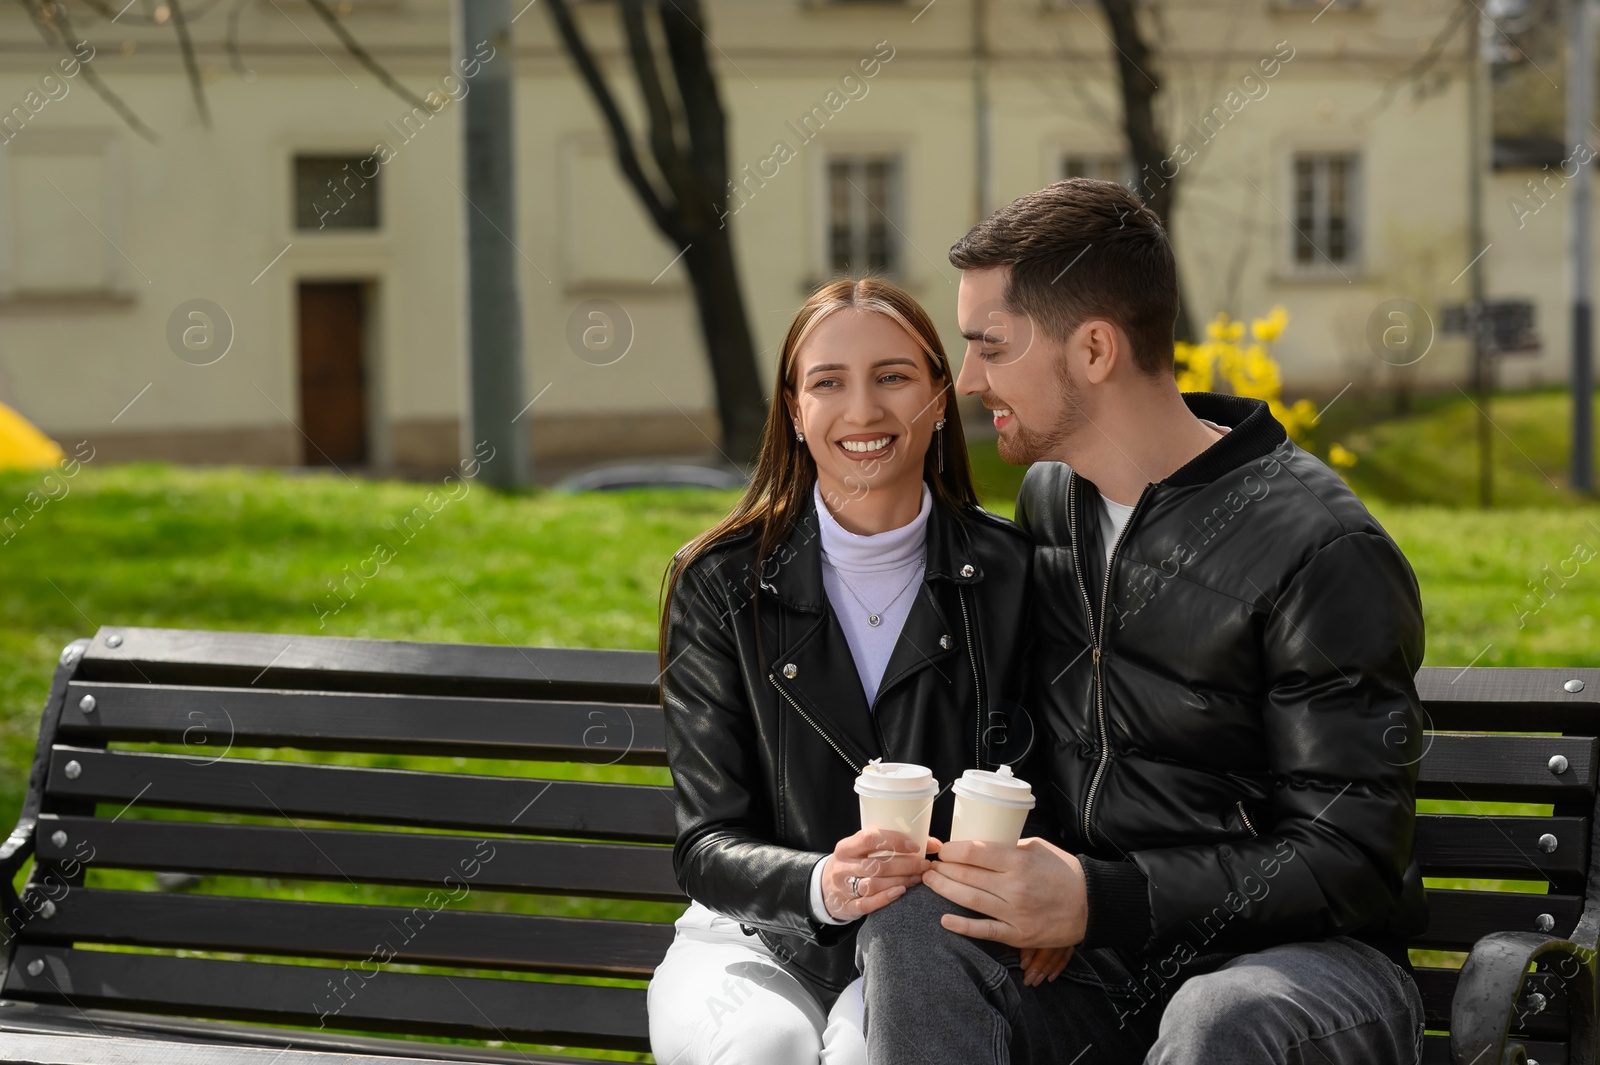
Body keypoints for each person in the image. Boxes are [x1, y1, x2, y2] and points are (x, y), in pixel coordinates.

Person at [854, 179, 1430, 1064]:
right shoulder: (1054, 504)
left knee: (1218, 1016)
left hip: (1304, 972)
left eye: (991, 347)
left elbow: (1351, 858)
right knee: (917, 925)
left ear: (1093, 349)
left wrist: (1099, 895)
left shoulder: (1322, 549)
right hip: (1107, 961)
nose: (967, 381)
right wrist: (1026, 881)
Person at [648, 278, 1045, 1063]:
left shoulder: (1014, 575)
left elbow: (1052, 791)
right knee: (764, 1049)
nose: (862, 410)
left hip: (937, 942)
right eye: (828, 382)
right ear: (795, 411)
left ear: (939, 397)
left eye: (893, 376)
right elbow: (707, 843)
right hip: (751, 940)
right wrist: (825, 882)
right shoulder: (720, 583)